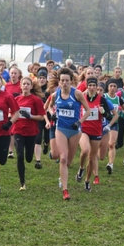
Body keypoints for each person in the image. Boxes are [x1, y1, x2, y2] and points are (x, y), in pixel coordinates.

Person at [48, 67, 91, 200]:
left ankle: (64, 175)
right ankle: (65, 190)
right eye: (62, 81)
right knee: (63, 158)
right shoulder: (56, 95)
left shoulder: (77, 94)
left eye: (67, 80)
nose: (65, 83)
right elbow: (49, 106)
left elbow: (88, 110)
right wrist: (53, 114)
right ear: (59, 82)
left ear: (71, 81)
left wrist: (79, 122)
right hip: (60, 128)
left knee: (69, 162)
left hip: (74, 131)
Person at [75, 77, 114, 191]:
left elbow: (110, 116)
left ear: (97, 87)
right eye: (90, 85)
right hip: (84, 130)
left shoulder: (102, 100)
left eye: (94, 86)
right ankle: (81, 168)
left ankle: (87, 181)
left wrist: (103, 112)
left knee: (92, 159)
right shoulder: (81, 98)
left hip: (97, 131)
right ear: (87, 86)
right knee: (85, 151)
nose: (92, 88)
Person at [12, 77, 46, 190]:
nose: (25, 86)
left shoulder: (36, 100)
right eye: (24, 84)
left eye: (28, 84)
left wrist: (30, 116)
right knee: (20, 155)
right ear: (20, 86)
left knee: (28, 158)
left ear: (31, 87)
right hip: (18, 130)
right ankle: (22, 183)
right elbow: (11, 114)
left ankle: (30, 154)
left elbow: (41, 117)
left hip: (31, 132)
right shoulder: (16, 100)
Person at [104, 79, 124, 174]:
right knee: (102, 146)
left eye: (114, 86)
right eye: (111, 86)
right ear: (108, 87)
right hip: (103, 123)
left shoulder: (118, 99)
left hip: (114, 123)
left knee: (111, 144)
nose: (112, 88)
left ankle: (110, 164)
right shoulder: (103, 97)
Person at [5, 66, 23, 158]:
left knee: (18, 130)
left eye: (15, 73)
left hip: (20, 110)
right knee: (10, 130)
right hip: (9, 111)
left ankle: (20, 147)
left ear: (19, 75)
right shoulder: (6, 86)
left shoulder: (22, 85)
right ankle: (10, 151)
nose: (13, 75)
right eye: (12, 73)